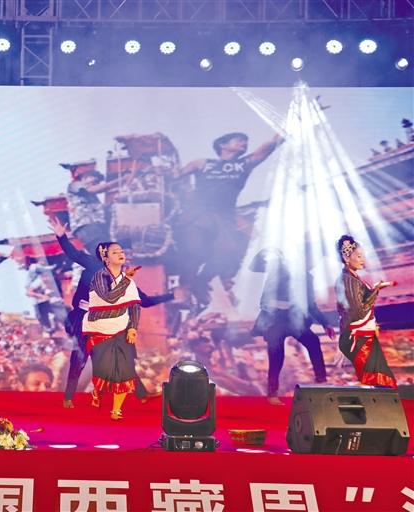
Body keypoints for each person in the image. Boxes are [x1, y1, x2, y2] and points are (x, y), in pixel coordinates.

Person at [49, 216, 173, 408]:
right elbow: (74, 255)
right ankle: (68, 397)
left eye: (127, 254)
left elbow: (146, 301)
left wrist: (171, 295)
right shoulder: (94, 265)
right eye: (122, 253)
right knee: (80, 358)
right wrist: (61, 236)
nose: (126, 257)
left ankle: (142, 395)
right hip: (84, 320)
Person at [173, 132, 283, 306]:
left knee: (229, 252)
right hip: (198, 212)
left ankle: (202, 281)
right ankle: (186, 284)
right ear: (223, 145)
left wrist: (288, 127)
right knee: (195, 249)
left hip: (224, 215)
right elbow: (174, 177)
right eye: (239, 140)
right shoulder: (201, 163)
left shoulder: (244, 164)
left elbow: (267, 147)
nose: (244, 143)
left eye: (246, 141)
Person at [250, 249, 336, 405]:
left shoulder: (308, 278)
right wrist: (264, 251)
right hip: (275, 320)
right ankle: (272, 393)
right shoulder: (280, 266)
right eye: (311, 261)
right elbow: (254, 267)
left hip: (295, 319)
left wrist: (325, 324)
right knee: (276, 357)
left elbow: (311, 305)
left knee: (313, 342)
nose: (313, 264)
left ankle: (321, 380)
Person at [82, 242, 142, 420]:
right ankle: (97, 390)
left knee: (124, 370)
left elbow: (134, 306)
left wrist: (133, 327)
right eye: (115, 252)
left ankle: (116, 410)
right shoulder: (99, 277)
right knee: (104, 370)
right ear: (105, 258)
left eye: (122, 251)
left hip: (121, 328)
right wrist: (126, 280)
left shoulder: (128, 281)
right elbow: (110, 298)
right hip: (99, 329)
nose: (121, 254)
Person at [334, 235, 397, 388]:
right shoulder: (348, 280)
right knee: (376, 381)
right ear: (346, 258)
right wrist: (375, 291)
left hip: (362, 336)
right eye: (359, 256)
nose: (363, 260)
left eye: (363, 256)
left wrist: (375, 289)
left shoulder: (352, 278)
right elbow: (358, 311)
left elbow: (358, 303)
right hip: (358, 337)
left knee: (379, 380)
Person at [64, 160, 136, 257]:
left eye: (97, 182)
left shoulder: (93, 200)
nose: (96, 183)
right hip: (86, 228)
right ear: (85, 177)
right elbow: (94, 189)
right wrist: (122, 179)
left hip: (96, 227)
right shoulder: (75, 185)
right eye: (93, 180)